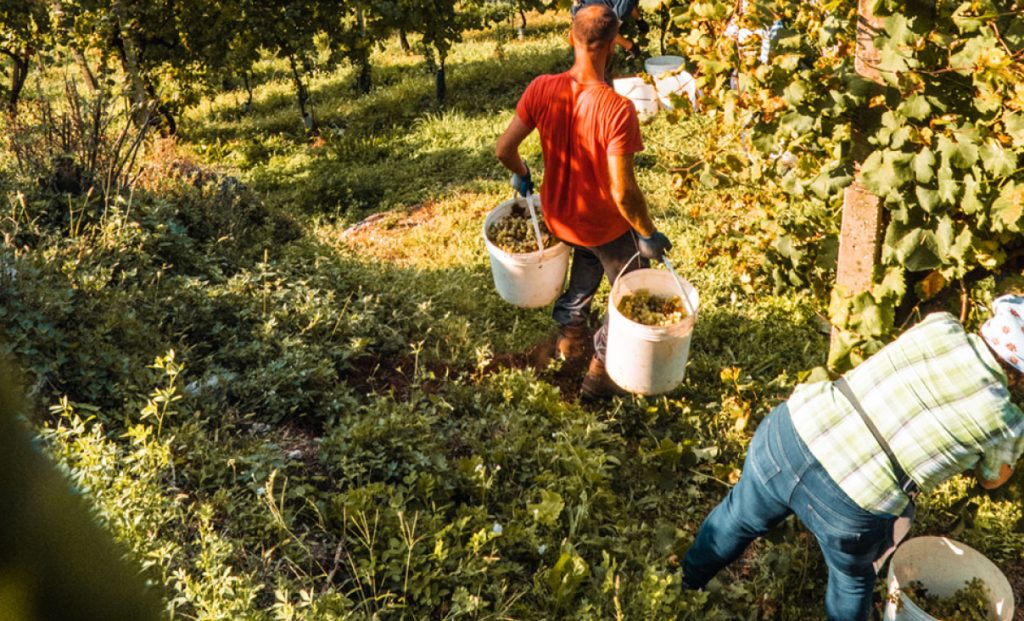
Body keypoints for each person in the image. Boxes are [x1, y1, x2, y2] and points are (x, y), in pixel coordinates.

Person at [681, 298, 1024, 621]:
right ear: (1018, 375)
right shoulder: (1008, 421)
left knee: (737, 517)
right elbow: (992, 477)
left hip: (791, 432)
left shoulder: (941, 325)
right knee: (852, 579)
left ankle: (684, 585)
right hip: (851, 506)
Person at [495, 4, 672, 399]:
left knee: (588, 257)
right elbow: (623, 192)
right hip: (602, 226)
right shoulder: (617, 109)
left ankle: (570, 334)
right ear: (613, 46)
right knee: (630, 290)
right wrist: (647, 232)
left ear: (569, 38)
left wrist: (523, 173)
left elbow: (505, 148)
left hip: (561, 220)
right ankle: (598, 375)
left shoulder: (542, 88)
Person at [571, 0, 647, 60]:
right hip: (588, 13)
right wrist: (630, 46)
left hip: (590, 10)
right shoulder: (584, 17)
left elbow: (628, 4)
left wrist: (639, 20)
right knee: (603, 30)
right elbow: (607, 31)